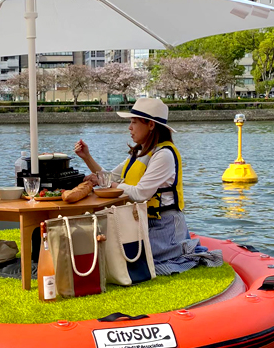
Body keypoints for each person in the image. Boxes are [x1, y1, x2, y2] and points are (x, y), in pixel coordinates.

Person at [74, 98, 221, 275]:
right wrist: (87, 158)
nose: (129, 127)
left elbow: (140, 193)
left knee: (118, 258)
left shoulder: (164, 155)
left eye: (134, 122)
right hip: (140, 223)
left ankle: (180, 249)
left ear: (151, 125)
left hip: (163, 227)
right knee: (110, 253)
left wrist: (105, 183)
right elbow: (110, 177)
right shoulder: (139, 153)